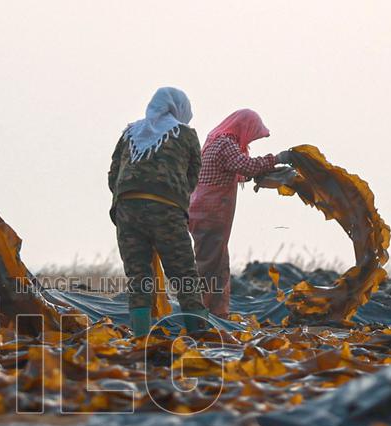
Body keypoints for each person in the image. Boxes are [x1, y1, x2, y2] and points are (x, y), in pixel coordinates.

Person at [108, 87, 208, 337]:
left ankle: (140, 338)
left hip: (126, 209)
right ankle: (200, 337)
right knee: (184, 275)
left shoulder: (129, 133)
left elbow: (113, 175)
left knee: (138, 276)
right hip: (166, 210)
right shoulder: (185, 134)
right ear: (179, 108)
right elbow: (193, 175)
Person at [188, 109, 293, 317]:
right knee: (213, 267)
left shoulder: (215, 139)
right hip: (212, 212)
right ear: (243, 128)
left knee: (212, 263)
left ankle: (211, 312)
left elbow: (233, 171)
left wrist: (261, 175)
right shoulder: (226, 143)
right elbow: (246, 166)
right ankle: (209, 315)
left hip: (201, 210)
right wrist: (278, 159)